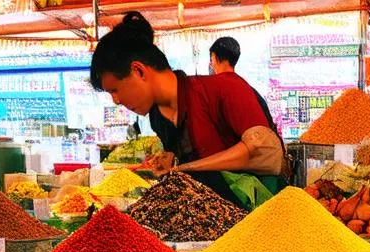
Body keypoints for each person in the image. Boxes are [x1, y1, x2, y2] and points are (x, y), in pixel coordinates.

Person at [90, 13, 286, 207]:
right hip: (206, 222)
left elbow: (267, 153)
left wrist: (183, 167)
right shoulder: (157, 118)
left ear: (139, 71)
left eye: (114, 90)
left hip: (255, 215)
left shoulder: (223, 89)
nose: (116, 100)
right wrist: (171, 161)